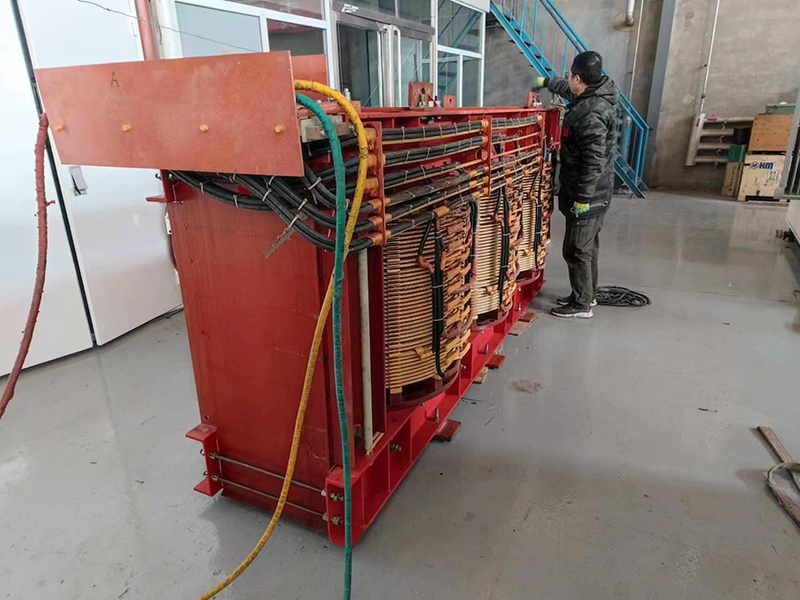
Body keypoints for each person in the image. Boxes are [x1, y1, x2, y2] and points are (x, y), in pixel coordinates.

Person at [533, 51, 618, 319]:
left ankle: (581, 305)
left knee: (576, 250)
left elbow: (593, 162)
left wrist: (582, 198)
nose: (568, 79)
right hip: (596, 191)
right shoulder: (593, 94)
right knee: (588, 247)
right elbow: (566, 88)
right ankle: (586, 295)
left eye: (570, 75)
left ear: (578, 78)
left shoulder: (591, 113)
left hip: (589, 194)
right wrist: (545, 82)